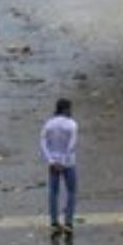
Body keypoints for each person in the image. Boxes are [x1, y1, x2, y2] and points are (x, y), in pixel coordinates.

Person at [41, 98, 78, 236]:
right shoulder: (72, 124)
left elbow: (43, 142)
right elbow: (72, 145)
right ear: (67, 109)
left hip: (53, 163)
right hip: (68, 162)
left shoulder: (49, 124)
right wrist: (63, 161)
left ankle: (54, 223)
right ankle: (68, 222)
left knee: (53, 193)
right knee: (71, 192)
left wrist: (51, 160)